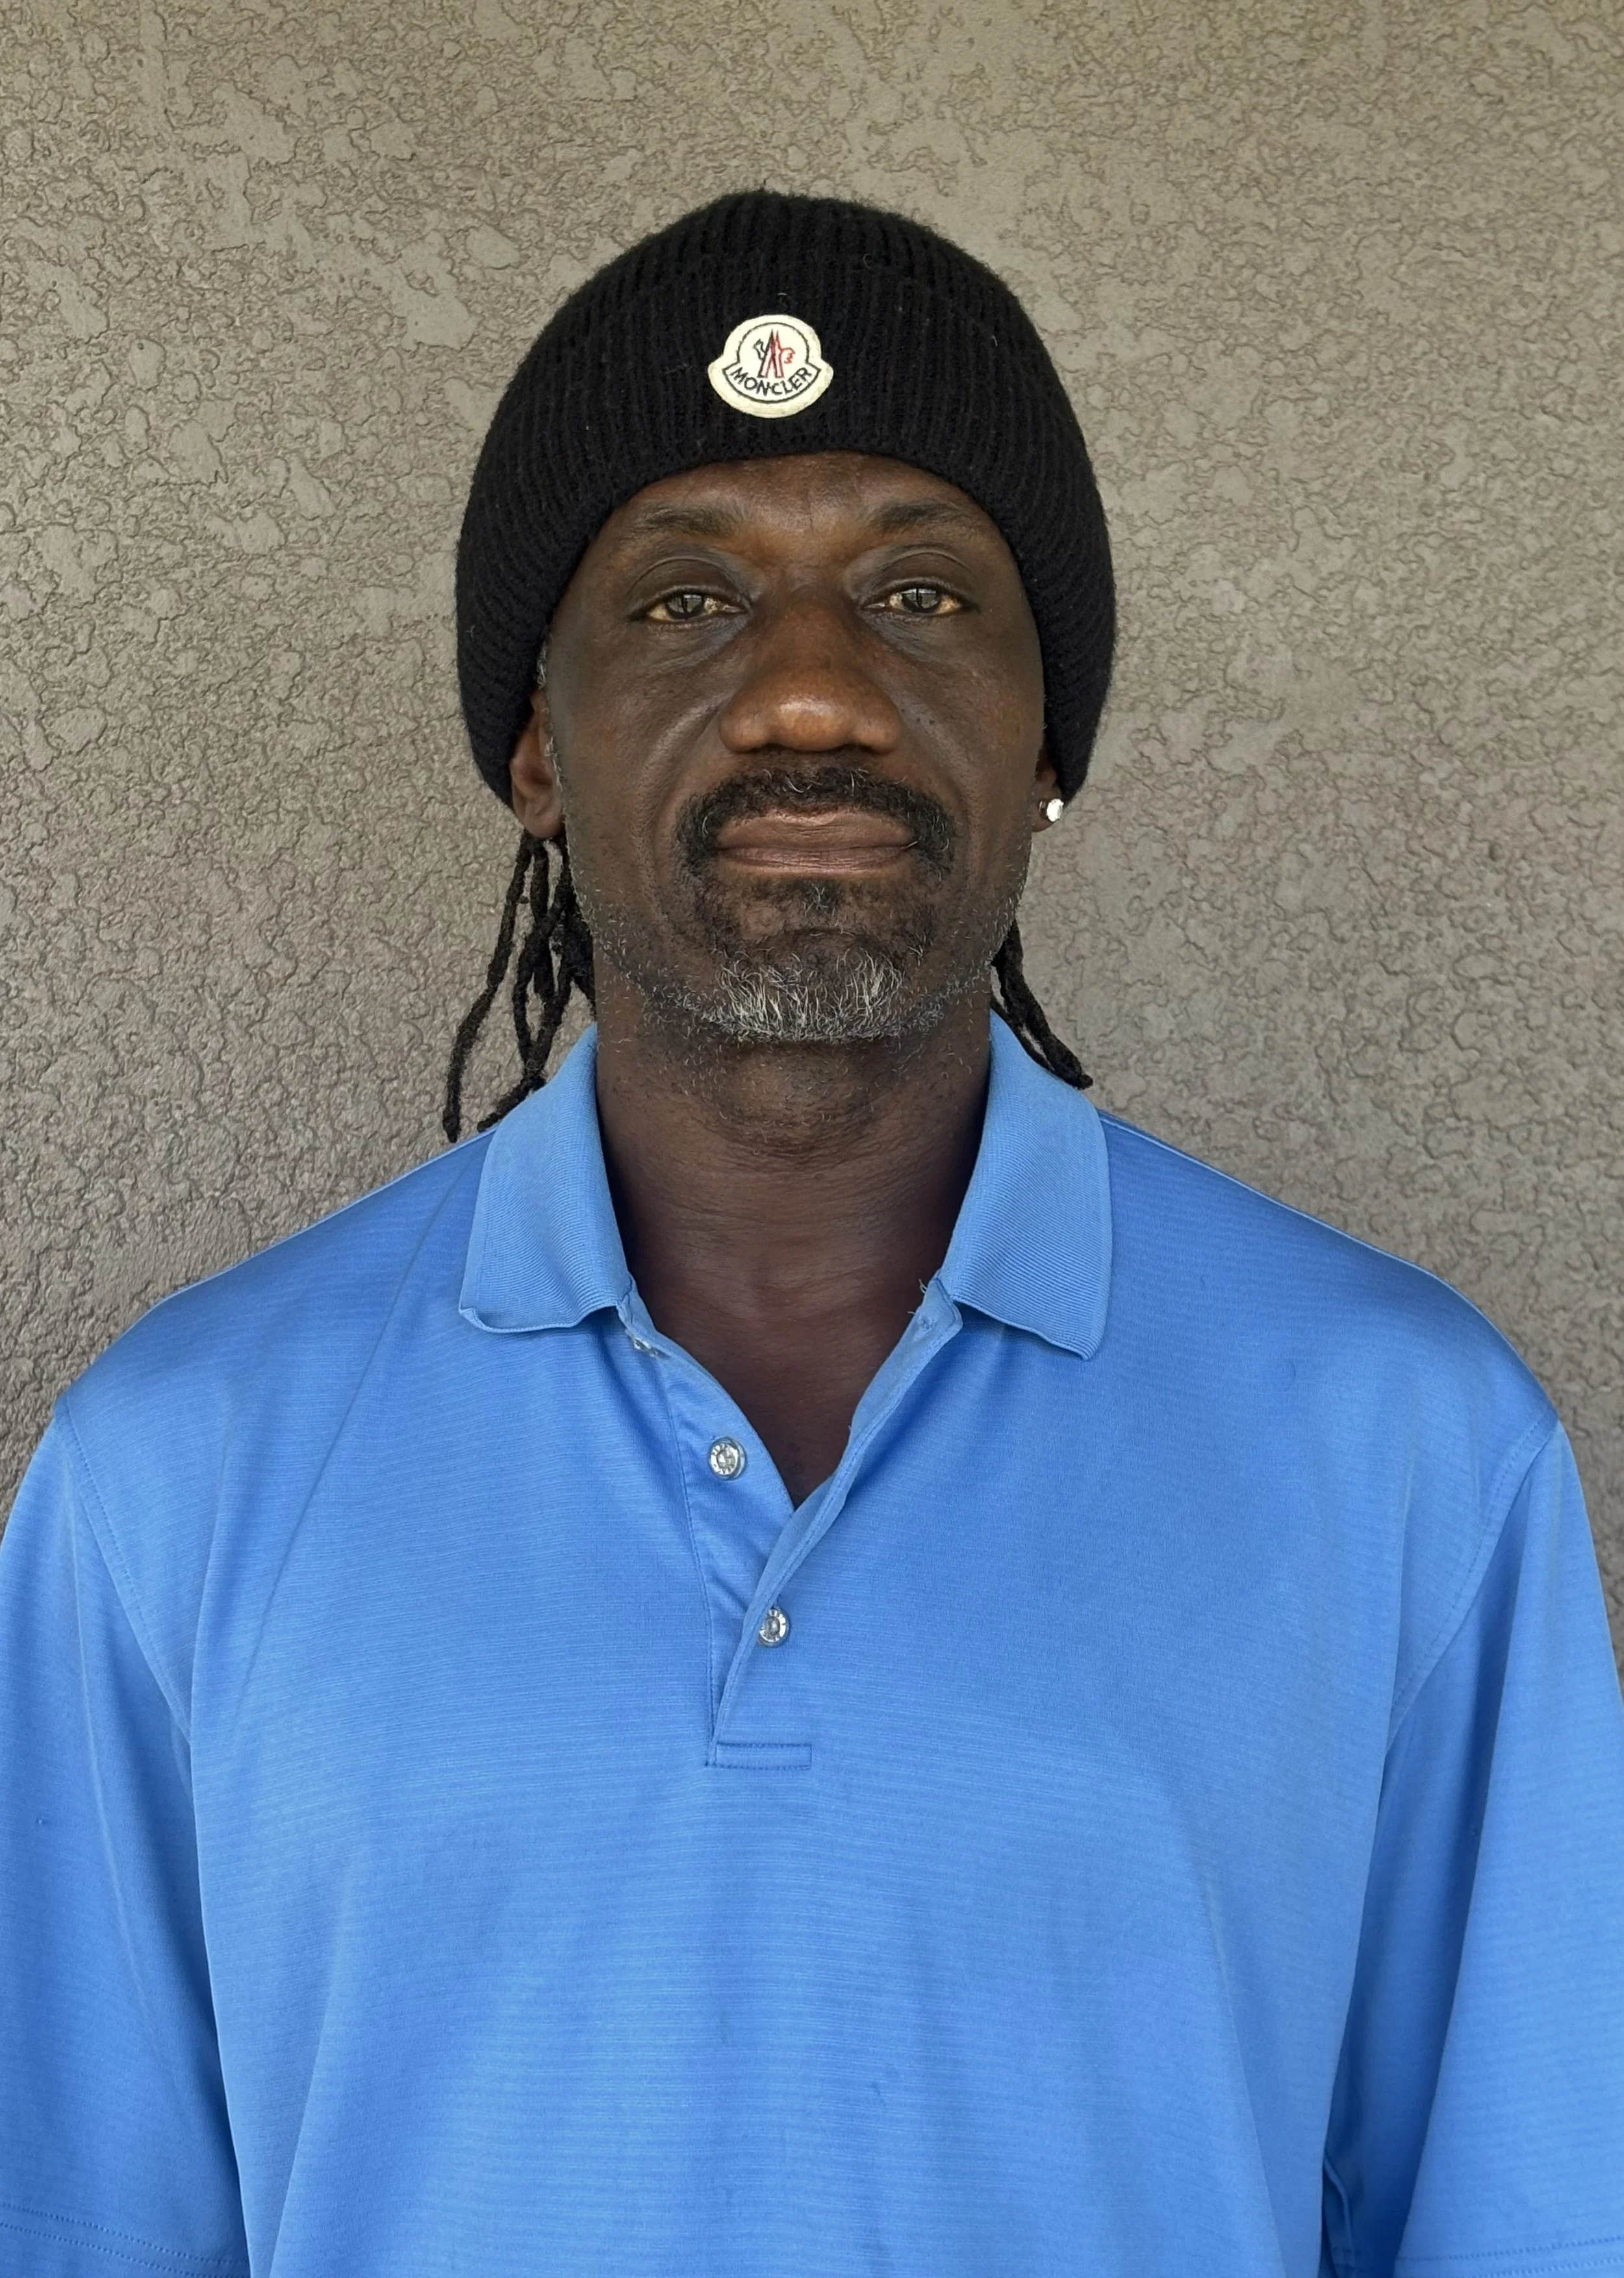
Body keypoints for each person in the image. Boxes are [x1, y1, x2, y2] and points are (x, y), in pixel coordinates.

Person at [1, 190, 1620, 2278]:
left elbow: (1524, 2218)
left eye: (924, 594)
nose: (808, 699)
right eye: (683, 604)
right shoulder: (173, 1471)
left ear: (1050, 742)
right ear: (531, 748)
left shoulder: (1407, 1443)